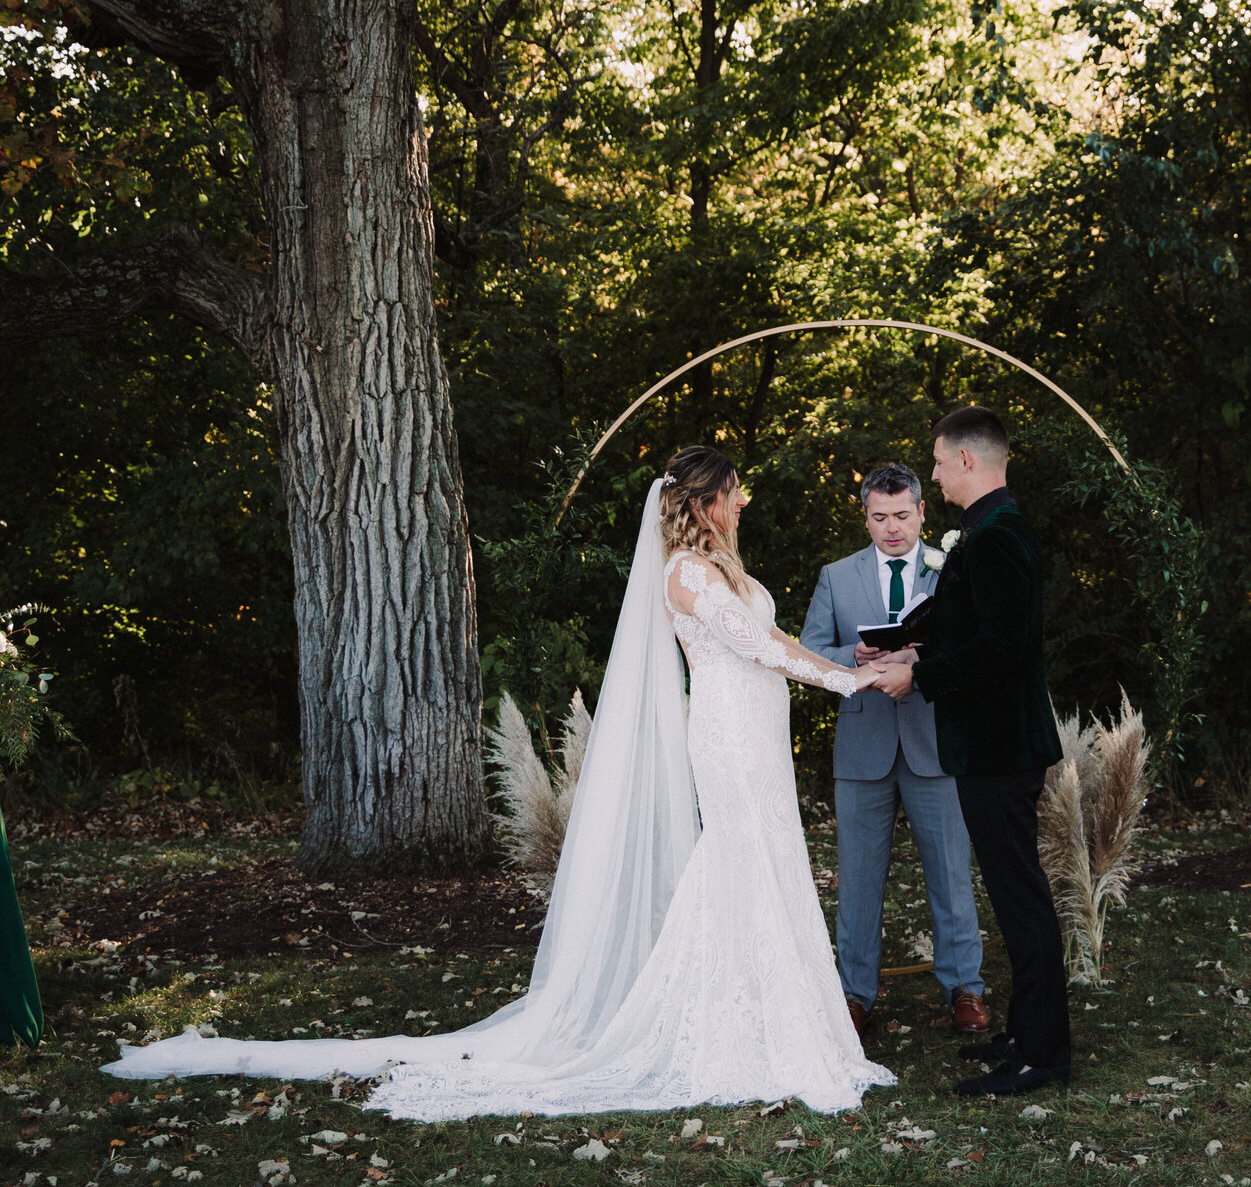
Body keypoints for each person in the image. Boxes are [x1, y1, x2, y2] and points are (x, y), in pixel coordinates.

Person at [103, 448, 896, 1120]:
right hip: (726, 736)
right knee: (737, 862)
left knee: (766, 861)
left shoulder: (725, 565)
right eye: (735, 492)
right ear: (708, 503)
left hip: (759, 734)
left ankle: (767, 1019)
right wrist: (852, 688)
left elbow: (779, 637)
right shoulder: (685, 573)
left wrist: (852, 665)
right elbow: (758, 648)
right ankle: (726, 1028)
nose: (743, 501)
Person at [877, 407, 1071, 1097]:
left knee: (1021, 899)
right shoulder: (987, 530)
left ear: (965, 461)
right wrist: (913, 647)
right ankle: (1023, 1033)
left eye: (935, 462)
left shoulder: (998, 535)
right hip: (988, 745)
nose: (930, 473)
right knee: (1012, 895)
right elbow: (973, 624)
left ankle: (1042, 1056)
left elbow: (1002, 647)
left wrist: (918, 677)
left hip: (1001, 746)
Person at [800, 463, 987, 1040]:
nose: (892, 529)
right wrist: (849, 655)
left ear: (923, 512)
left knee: (952, 873)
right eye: (879, 518)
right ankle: (855, 997)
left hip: (937, 740)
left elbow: (978, 644)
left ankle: (966, 990)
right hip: (863, 745)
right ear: (865, 517)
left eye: (902, 515)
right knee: (857, 879)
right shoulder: (836, 575)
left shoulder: (953, 567)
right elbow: (807, 652)